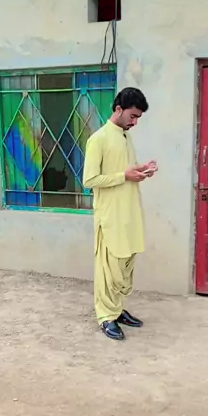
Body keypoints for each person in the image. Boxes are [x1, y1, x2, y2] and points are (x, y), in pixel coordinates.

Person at [83, 87, 157, 341]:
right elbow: (90, 179)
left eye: (138, 118)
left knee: (126, 263)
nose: (135, 122)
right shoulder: (99, 139)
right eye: (132, 116)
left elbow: (125, 171)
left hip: (130, 210)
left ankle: (116, 309)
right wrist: (124, 176)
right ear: (118, 109)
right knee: (109, 267)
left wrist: (142, 170)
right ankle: (106, 316)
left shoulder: (126, 137)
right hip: (110, 214)